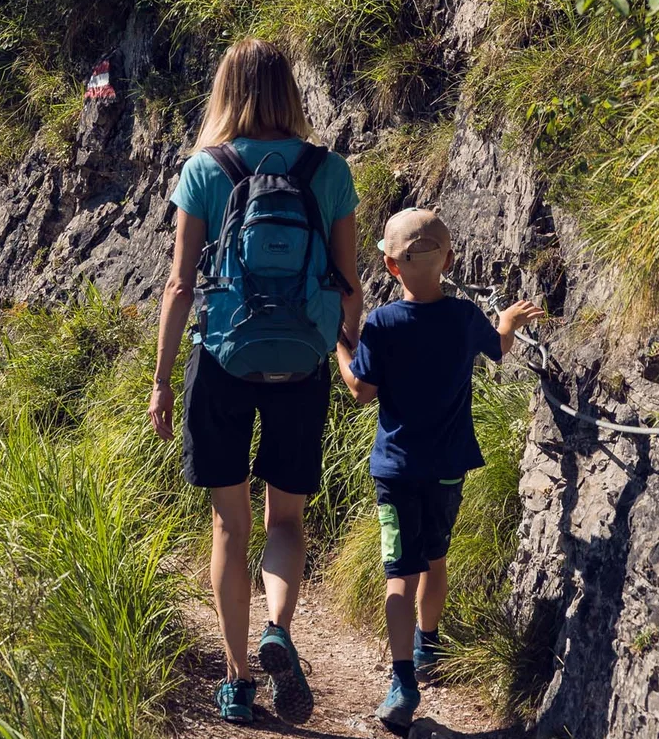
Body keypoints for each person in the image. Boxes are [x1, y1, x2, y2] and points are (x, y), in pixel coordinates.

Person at [149, 37, 363, 726]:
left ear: (225, 89)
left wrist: (159, 380)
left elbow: (181, 284)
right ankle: (279, 628)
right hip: (301, 359)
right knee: (288, 519)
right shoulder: (329, 171)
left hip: (223, 357)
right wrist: (347, 351)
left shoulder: (205, 170)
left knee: (227, 524)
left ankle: (239, 680)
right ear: (290, 91)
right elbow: (350, 286)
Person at [335, 207, 542, 730]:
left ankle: (403, 679)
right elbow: (497, 348)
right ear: (449, 260)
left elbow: (361, 392)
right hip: (449, 467)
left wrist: (338, 345)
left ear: (389, 265)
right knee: (437, 558)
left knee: (399, 576)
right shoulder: (464, 317)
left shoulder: (381, 325)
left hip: (395, 472)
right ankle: (429, 646)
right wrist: (509, 321)